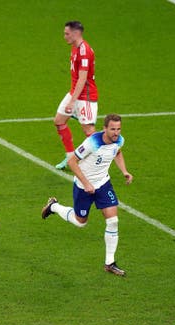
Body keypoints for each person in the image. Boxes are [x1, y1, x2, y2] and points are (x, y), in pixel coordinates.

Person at [41, 114, 133, 276]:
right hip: (83, 186)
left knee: (113, 221)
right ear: (104, 128)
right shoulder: (92, 142)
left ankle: (110, 263)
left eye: (118, 129)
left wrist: (124, 171)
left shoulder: (119, 140)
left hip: (103, 184)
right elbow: (71, 162)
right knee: (80, 222)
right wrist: (86, 183)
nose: (116, 133)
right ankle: (53, 206)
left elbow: (117, 153)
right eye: (112, 129)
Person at [53, 21, 98, 170]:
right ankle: (70, 156)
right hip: (75, 92)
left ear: (76, 33)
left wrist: (72, 103)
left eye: (67, 33)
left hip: (85, 96)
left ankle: (100, 161)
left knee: (90, 132)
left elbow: (83, 78)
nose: (64, 36)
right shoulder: (75, 47)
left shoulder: (84, 51)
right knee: (59, 121)